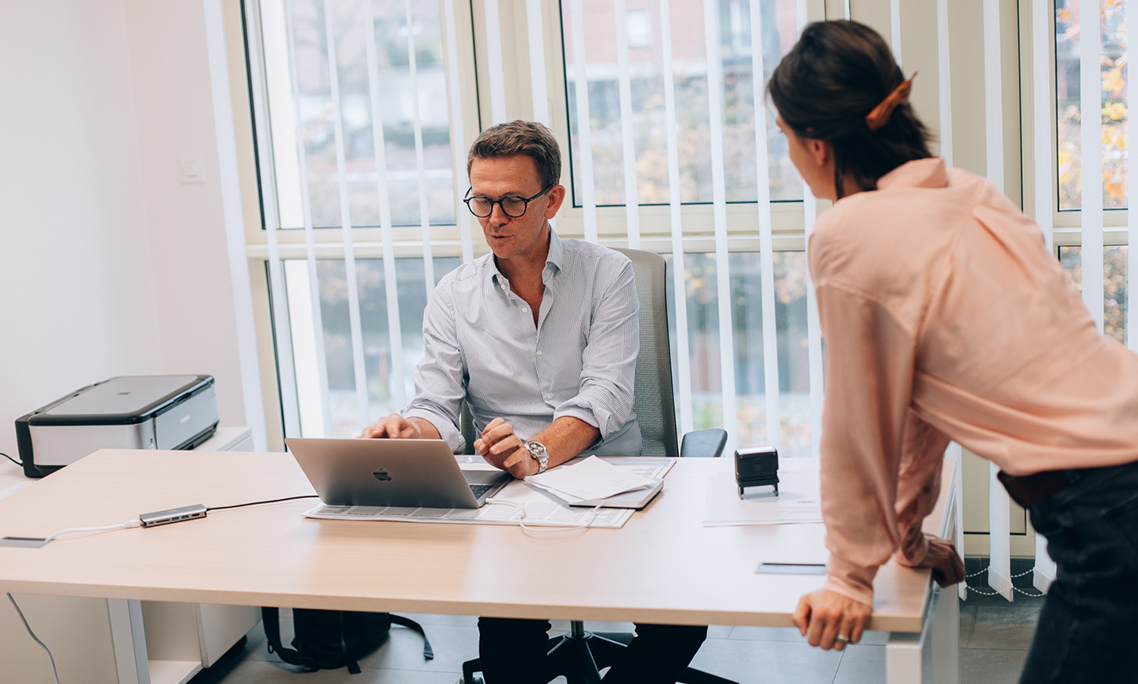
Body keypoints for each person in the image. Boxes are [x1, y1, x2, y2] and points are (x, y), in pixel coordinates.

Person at [767, 20, 1138, 683]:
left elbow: (862, 421)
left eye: (785, 136)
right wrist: (905, 542)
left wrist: (850, 579)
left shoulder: (850, 232)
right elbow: (923, 404)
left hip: (1110, 509)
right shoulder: (969, 192)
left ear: (817, 145)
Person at [362, 120, 707, 683]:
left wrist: (538, 451)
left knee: (681, 625)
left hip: (612, 478)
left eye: (513, 202)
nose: (494, 218)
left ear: (552, 200)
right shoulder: (454, 295)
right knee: (507, 648)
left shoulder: (608, 274)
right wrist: (411, 431)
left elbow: (607, 394)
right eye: (482, 201)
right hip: (510, 496)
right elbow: (436, 406)